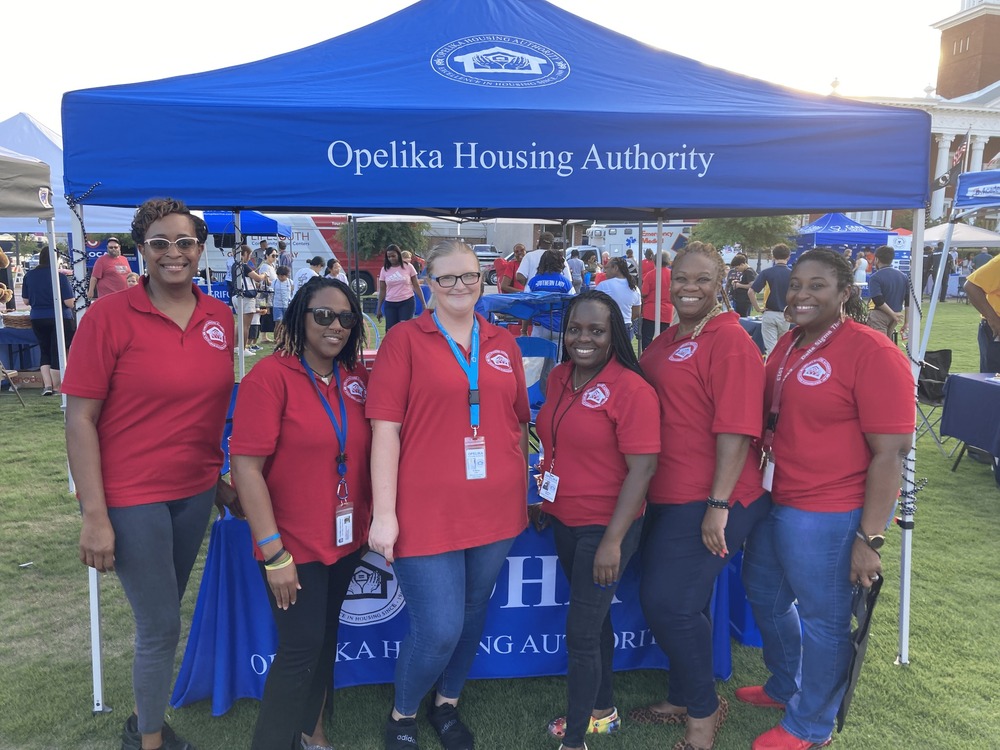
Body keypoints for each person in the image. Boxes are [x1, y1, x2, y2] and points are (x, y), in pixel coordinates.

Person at [62, 198, 239, 750]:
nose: (173, 253)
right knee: (161, 625)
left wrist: (217, 482)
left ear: (200, 248)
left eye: (184, 242)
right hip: (132, 495)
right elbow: (80, 419)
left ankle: (143, 722)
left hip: (193, 493)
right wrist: (94, 514)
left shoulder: (220, 317)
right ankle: (149, 742)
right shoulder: (107, 318)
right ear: (141, 250)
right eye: (159, 243)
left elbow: (205, 412)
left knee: (163, 619)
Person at [739, 248, 913, 750]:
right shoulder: (790, 343)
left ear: (845, 292)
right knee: (765, 595)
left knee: (825, 620)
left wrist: (869, 537)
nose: (801, 294)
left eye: (817, 286)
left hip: (831, 511)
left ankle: (810, 725)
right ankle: (786, 684)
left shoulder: (872, 351)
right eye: (795, 284)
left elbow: (891, 453)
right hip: (777, 496)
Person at [366, 239, 529, 750]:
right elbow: (385, 430)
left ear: (483, 279)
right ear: (427, 283)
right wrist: (385, 514)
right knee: (438, 628)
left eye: (469, 276)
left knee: (475, 610)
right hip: (426, 508)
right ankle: (403, 714)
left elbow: (518, 420)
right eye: (447, 278)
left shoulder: (502, 342)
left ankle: (448, 703)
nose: (459, 286)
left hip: (496, 507)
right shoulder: (404, 341)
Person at [632, 242, 770, 750]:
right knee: (678, 600)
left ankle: (703, 717)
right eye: (682, 278)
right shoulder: (671, 336)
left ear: (722, 283)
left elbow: (736, 431)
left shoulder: (729, 340)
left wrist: (718, 505)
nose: (690, 287)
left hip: (716, 496)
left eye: (702, 279)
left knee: (669, 604)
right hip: (668, 491)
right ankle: (684, 695)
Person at [230, 276, 371, 750]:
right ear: (299, 317)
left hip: (345, 541)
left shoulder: (355, 381)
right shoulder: (270, 378)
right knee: (300, 650)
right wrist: (274, 554)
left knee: (323, 643)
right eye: (324, 315)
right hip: (291, 546)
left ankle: (314, 735)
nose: (336, 326)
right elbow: (245, 467)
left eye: (346, 318)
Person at [538, 290, 660, 750]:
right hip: (565, 519)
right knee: (596, 623)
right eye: (575, 329)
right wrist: (545, 498)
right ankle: (603, 710)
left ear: (615, 336)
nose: (582, 338)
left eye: (596, 330)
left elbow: (643, 470)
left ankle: (575, 740)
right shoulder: (559, 376)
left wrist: (614, 540)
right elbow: (556, 443)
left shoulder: (632, 389)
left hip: (607, 528)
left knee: (582, 633)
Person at [20, 246, 75, 395]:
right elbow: (69, 302)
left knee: (44, 350)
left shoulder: (29, 276)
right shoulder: (60, 277)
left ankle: (47, 386)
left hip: (38, 317)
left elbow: (25, 301)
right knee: (58, 351)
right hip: (60, 317)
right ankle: (58, 387)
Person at [749, 243, 792, 355]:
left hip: (770, 312)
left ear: (773, 256)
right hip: (786, 314)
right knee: (782, 347)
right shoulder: (793, 274)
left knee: (771, 349)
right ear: (788, 257)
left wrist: (757, 308)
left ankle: (771, 370)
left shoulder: (767, 272)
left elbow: (751, 291)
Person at [964, 252, 1000, 373]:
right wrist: (993, 320)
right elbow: (971, 286)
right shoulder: (998, 263)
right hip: (996, 329)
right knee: (993, 383)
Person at [527, 250, 575, 342]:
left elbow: (526, 304)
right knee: (558, 355)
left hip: (539, 325)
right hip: (560, 326)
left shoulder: (533, 282)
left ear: (542, 263)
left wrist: (524, 330)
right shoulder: (566, 282)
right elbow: (574, 304)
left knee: (538, 355)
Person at [376, 244, 423, 331]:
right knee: (391, 330)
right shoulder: (384, 269)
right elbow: (382, 290)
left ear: (398, 254)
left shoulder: (408, 267)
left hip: (406, 301)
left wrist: (423, 303)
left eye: (393, 256)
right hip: (390, 303)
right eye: (389, 257)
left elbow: (416, 286)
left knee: (404, 329)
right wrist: (378, 308)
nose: (391, 258)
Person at [865, 245, 908, 340]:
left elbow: (877, 299)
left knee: (879, 344)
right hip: (896, 314)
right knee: (888, 343)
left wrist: (892, 313)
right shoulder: (903, 276)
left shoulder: (875, 277)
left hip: (880, 314)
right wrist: (906, 321)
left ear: (877, 259)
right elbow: (908, 300)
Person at [232, 245, 267, 357]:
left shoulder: (234, 266)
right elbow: (258, 278)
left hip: (237, 296)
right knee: (246, 325)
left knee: (240, 323)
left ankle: (236, 347)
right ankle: (243, 348)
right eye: (249, 255)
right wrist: (264, 275)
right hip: (246, 297)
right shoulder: (244, 266)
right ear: (245, 254)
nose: (250, 257)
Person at [597, 257, 641, 339]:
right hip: (627, 326)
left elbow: (594, 308)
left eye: (607, 268)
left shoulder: (603, 285)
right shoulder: (635, 288)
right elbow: (636, 312)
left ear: (615, 268)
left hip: (609, 326)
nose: (605, 271)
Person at [639, 252, 673, 351]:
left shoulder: (650, 275)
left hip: (650, 311)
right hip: (667, 311)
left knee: (647, 338)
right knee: (664, 339)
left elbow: (644, 292)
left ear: (654, 260)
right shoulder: (672, 275)